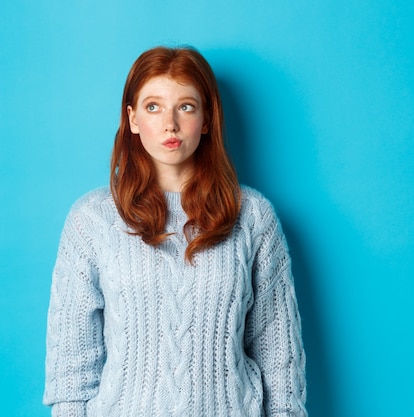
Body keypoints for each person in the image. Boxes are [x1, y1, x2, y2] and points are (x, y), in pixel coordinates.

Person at [43, 45, 307, 417]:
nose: (170, 124)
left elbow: (279, 358)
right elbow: (72, 368)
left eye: (186, 106)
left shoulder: (252, 217)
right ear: (132, 119)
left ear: (207, 118)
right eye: (153, 107)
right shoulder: (92, 220)